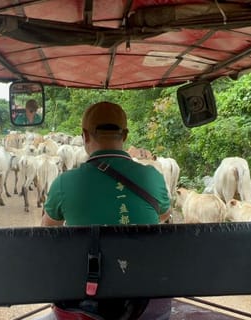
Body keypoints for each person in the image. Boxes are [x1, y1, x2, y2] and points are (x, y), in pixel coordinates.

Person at [41, 101, 172, 320]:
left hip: (85, 304)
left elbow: (47, 230)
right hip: (147, 304)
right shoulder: (152, 176)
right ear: (125, 135)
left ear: (84, 135)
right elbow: (164, 214)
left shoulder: (64, 182)